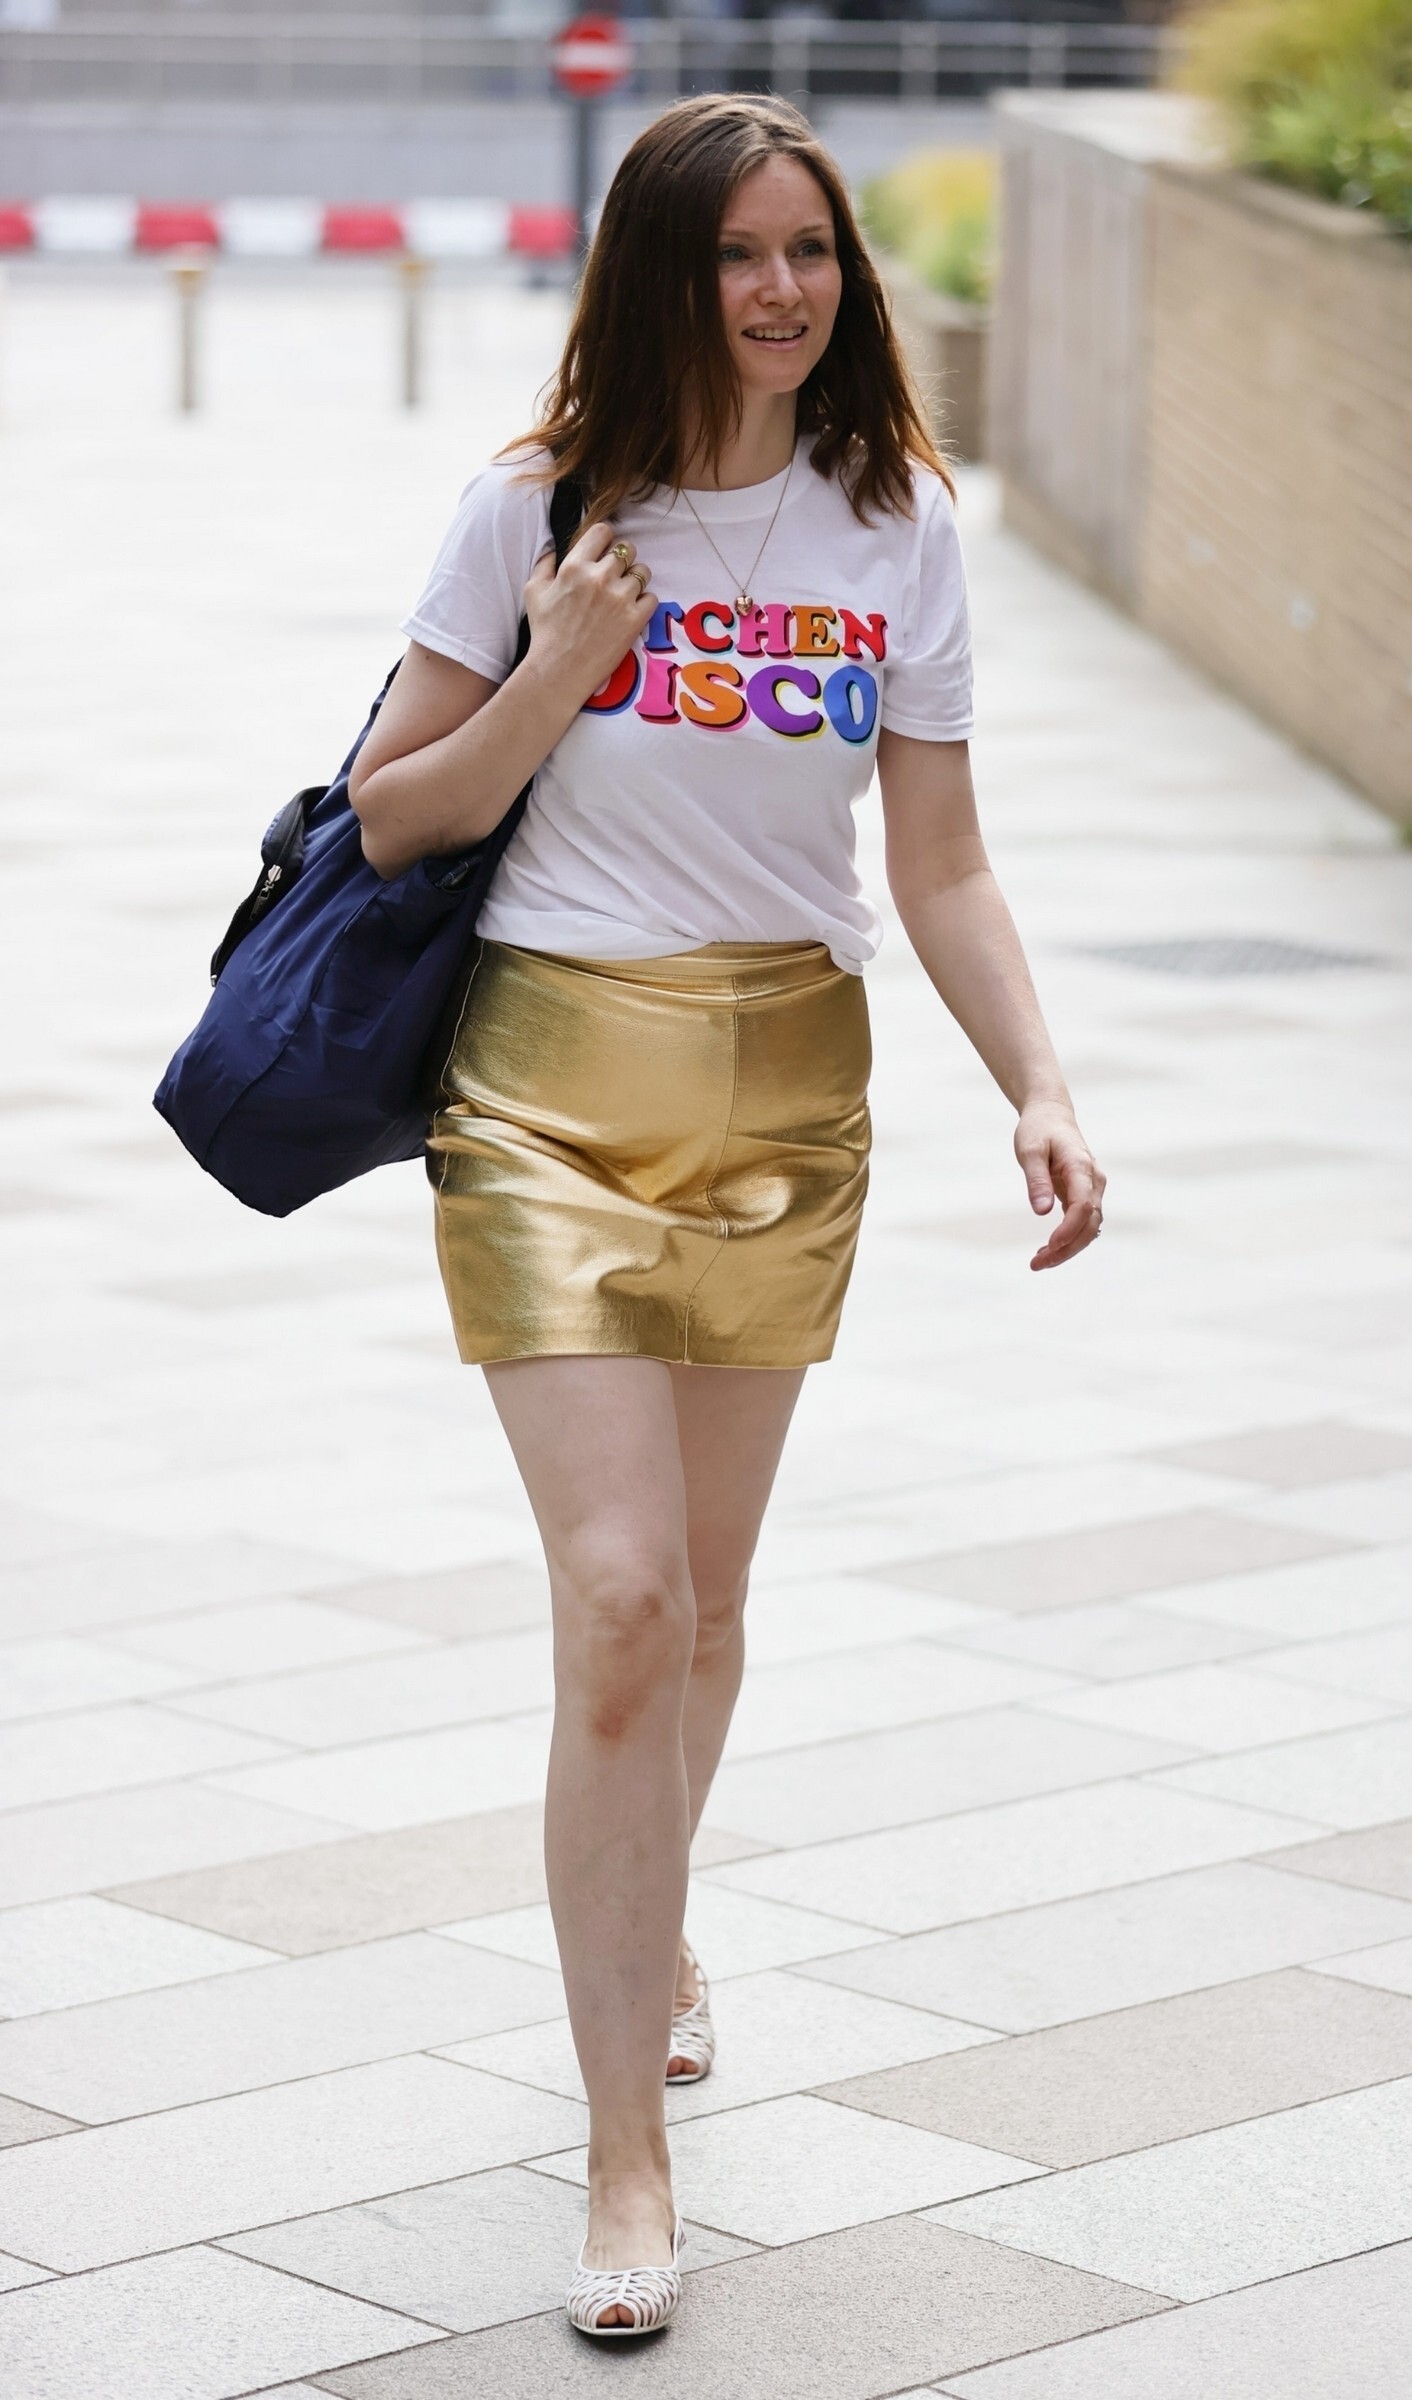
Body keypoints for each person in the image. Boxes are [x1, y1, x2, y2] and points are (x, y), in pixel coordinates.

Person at [348, 92, 1104, 2339]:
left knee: (706, 1608)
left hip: (790, 1092)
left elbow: (940, 860)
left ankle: (653, 1911)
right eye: (736, 253)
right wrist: (558, 667)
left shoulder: (894, 521)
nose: (780, 290)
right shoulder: (536, 505)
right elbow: (391, 817)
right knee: (619, 1598)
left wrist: (1040, 1082)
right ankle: (625, 2152)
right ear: (658, 274)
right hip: (548, 1088)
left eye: (810, 250)